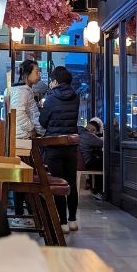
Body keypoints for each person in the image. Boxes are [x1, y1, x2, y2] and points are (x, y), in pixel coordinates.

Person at [39, 66, 81, 231]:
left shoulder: (51, 98)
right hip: (71, 145)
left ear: (55, 81)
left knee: (58, 183)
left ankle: (62, 222)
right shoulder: (76, 97)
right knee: (70, 182)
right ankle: (72, 220)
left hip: (54, 145)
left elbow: (43, 122)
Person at [10, 60, 43, 140]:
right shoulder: (21, 91)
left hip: (23, 136)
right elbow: (18, 112)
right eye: (36, 72)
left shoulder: (25, 90)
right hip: (21, 137)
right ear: (27, 74)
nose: (39, 75)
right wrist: (31, 129)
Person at [80, 117, 104, 197]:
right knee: (105, 162)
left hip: (81, 161)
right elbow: (104, 143)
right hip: (86, 162)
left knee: (99, 161)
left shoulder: (80, 133)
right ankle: (99, 190)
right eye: (94, 130)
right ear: (93, 131)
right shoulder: (89, 136)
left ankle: (93, 186)